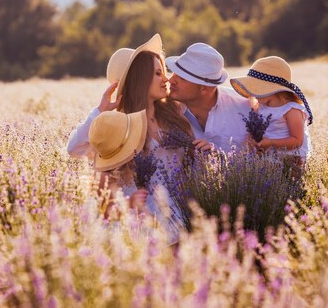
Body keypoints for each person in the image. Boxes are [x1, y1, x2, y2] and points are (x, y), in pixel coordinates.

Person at [67, 34, 191, 241]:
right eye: (158, 73)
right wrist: (99, 112)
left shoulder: (174, 113)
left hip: (178, 211)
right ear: (140, 80)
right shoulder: (119, 124)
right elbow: (75, 149)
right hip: (141, 220)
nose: (166, 78)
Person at [165, 43, 252, 153]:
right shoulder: (167, 110)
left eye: (182, 78)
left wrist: (219, 155)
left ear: (204, 89)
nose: (171, 80)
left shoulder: (246, 108)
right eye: (174, 73)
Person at [229, 56, 313, 170]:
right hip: (270, 155)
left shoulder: (291, 109)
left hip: (292, 158)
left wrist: (271, 143)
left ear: (273, 90)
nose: (254, 94)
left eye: (258, 90)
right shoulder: (261, 107)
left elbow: (297, 140)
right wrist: (256, 141)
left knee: (286, 180)